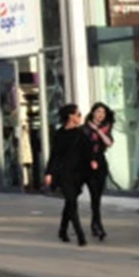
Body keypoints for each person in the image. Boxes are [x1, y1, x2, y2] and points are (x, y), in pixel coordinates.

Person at [44, 103, 95, 246]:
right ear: (70, 116)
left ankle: (62, 230)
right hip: (63, 173)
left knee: (69, 202)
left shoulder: (81, 133)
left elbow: (89, 151)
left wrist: (93, 162)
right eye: (78, 114)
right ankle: (80, 235)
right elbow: (54, 155)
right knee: (72, 202)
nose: (80, 117)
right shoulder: (59, 134)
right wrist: (49, 172)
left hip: (78, 174)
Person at [83, 102, 115, 240]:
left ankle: (95, 223)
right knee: (93, 194)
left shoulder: (105, 128)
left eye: (103, 113)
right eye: (98, 112)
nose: (100, 115)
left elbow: (109, 143)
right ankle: (98, 224)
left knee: (98, 196)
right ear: (93, 113)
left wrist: (98, 131)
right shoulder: (84, 129)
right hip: (88, 163)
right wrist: (90, 160)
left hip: (101, 163)